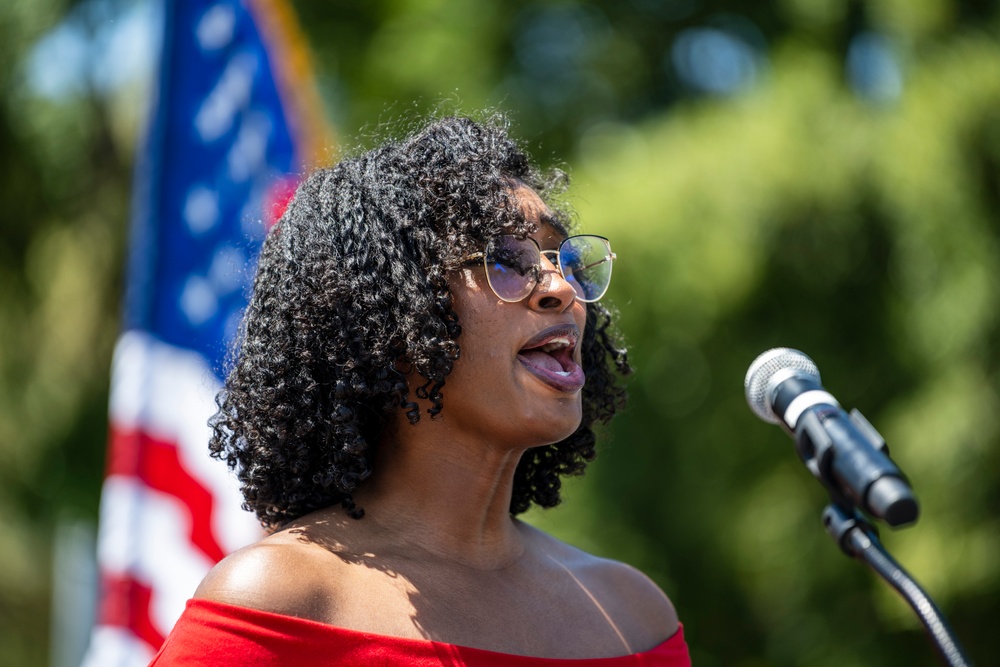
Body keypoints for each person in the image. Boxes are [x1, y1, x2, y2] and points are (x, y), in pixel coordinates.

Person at [149, 115, 691, 666]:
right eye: (506, 260)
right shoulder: (282, 603)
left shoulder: (632, 619)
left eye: (565, 260)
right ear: (394, 319)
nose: (559, 290)